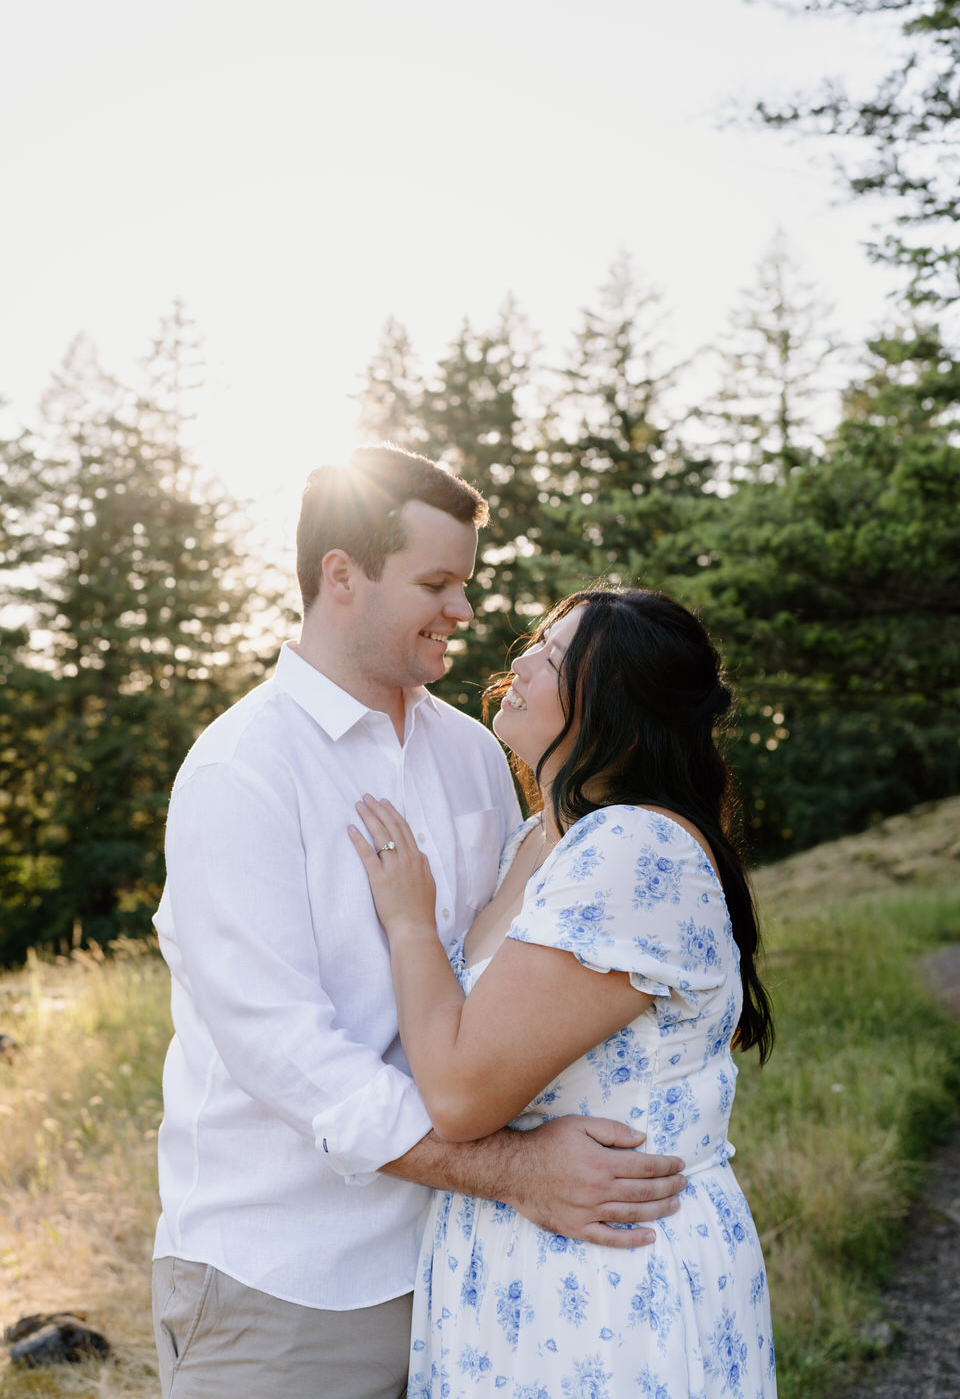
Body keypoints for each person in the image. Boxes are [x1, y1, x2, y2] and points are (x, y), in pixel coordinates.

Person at [151, 447, 687, 1399]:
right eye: (437, 582)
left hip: (472, 1269)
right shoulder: (244, 771)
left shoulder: (474, 754)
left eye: (467, 582)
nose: (466, 611)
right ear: (342, 576)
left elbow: (512, 981)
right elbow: (285, 1053)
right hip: (292, 1286)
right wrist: (516, 1169)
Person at [350, 586, 777, 1398]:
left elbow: (461, 1094)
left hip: (608, 1282)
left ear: (610, 706)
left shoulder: (629, 845)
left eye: (550, 657)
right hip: (518, 1261)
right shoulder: (536, 841)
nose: (517, 661)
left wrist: (408, 921)